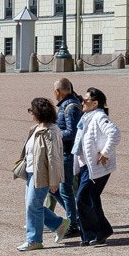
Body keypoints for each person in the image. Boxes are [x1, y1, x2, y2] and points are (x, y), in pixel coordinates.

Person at [16, 96, 69, 251]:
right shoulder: (35, 128)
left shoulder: (51, 131)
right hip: (32, 172)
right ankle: (59, 224)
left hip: (43, 174)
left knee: (33, 205)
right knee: (33, 205)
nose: (30, 114)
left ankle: (34, 240)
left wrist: (54, 181)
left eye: (31, 110)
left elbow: (54, 158)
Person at [71, 86, 120, 246]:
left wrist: (105, 152)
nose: (82, 102)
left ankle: (99, 231)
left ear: (95, 103)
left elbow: (115, 133)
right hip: (87, 165)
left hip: (97, 167)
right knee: (90, 198)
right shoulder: (87, 117)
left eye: (86, 100)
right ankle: (92, 234)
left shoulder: (99, 117)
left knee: (83, 198)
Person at [50, 78, 83, 242]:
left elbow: (73, 132)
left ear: (58, 91)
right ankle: (74, 218)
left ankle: (73, 223)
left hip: (68, 154)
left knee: (65, 189)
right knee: (55, 188)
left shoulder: (70, 106)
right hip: (63, 152)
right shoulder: (67, 105)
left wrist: (54, 133)